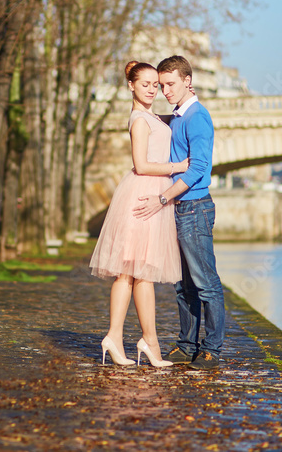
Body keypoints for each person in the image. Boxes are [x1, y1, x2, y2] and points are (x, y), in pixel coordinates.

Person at [89, 61, 189, 367]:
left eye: (155, 84)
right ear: (131, 85)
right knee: (131, 272)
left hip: (152, 196)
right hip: (144, 195)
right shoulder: (139, 121)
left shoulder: (151, 116)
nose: (151, 89)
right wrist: (179, 167)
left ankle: (139, 340)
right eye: (144, 83)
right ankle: (128, 338)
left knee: (138, 273)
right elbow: (142, 164)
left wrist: (185, 97)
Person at [133, 55, 225, 370]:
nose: (165, 90)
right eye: (161, 85)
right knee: (182, 283)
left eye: (170, 84)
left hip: (194, 207)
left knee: (205, 281)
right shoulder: (179, 115)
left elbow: (198, 169)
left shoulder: (197, 117)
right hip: (180, 207)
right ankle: (187, 345)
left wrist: (162, 198)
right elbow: (154, 120)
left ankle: (212, 348)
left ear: (188, 81)